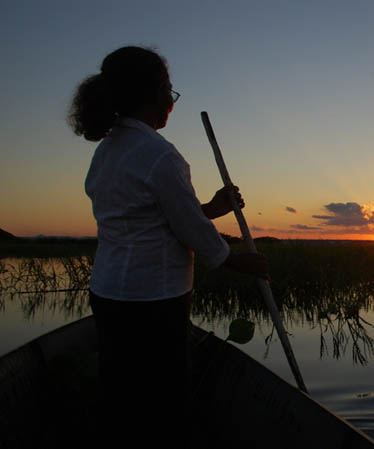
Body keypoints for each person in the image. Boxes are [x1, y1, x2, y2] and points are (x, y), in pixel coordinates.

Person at [68, 46, 267, 448]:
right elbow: (188, 228)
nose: (171, 103)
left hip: (109, 295)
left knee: (121, 392)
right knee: (162, 401)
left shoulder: (106, 153)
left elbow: (159, 217)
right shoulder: (160, 156)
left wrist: (212, 207)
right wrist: (235, 260)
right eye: (170, 91)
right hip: (154, 301)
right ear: (152, 94)